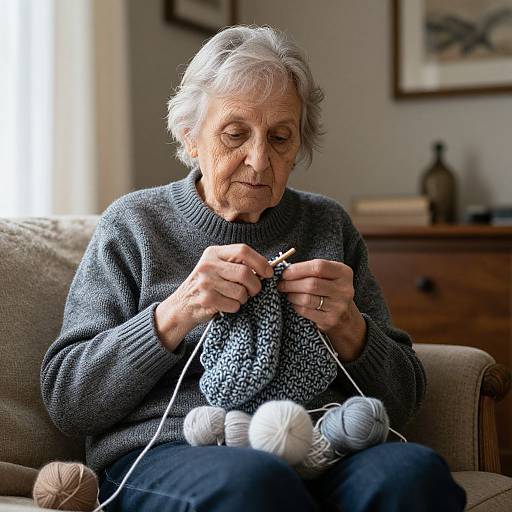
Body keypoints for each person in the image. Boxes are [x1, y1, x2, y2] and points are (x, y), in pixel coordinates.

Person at [41, 25, 466, 512]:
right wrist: (177, 311)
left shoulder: (327, 224)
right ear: (191, 136)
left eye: (280, 137)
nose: (259, 160)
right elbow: (67, 399)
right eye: (235, 134)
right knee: (254, 485)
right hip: (173, 449)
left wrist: (351, 328)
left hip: (320, 444)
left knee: (414, 475)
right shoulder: (135, 224)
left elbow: (406, 398)